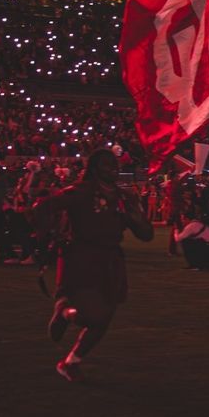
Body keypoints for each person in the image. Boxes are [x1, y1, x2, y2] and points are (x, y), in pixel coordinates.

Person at [33, 149, 153, 382]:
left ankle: (71, 361)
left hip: (110, 261)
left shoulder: (124, 197)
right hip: (82, 256)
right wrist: (47, 236)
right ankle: (65, 312)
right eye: (107, 165)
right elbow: (43, 206)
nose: (113, 169)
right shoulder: (81, 191)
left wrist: (136, 217)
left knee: (105, 317)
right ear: (95, 168)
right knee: (93, 315)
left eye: (115, 165)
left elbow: (146, 234)